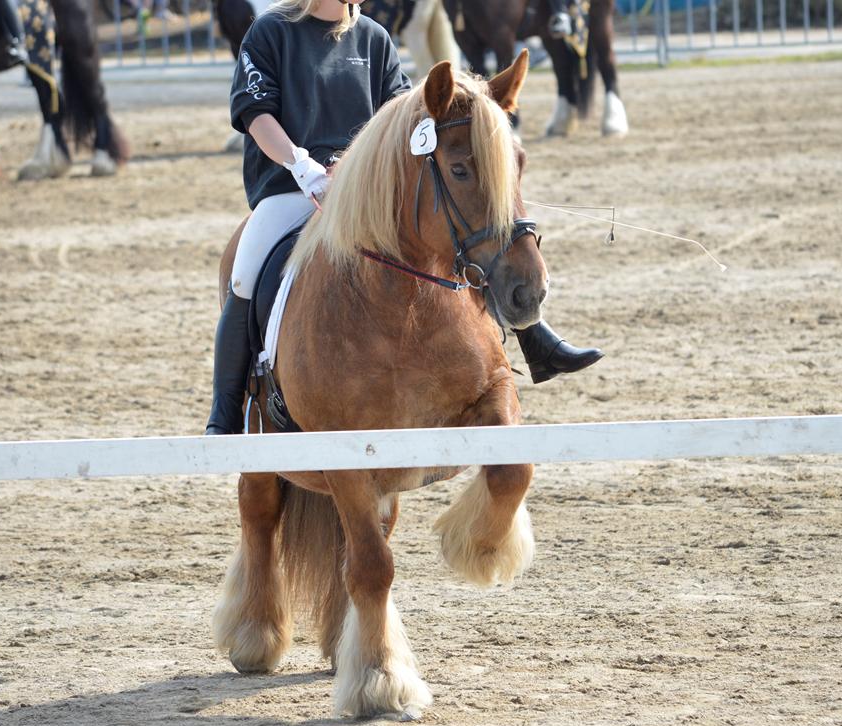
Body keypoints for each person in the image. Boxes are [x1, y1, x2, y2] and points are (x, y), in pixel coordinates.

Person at [206, 0, 602, 435]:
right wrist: (301, 165)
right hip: (291, 187)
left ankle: (533, 334)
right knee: (244, 276)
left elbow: (405, 118)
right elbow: (255, 113)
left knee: (463, 232)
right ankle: (227, 411)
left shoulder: (375, 37)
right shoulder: (269, 32)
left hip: (366, 191)